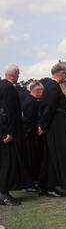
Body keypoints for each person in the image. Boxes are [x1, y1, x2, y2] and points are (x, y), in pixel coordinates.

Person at [38, 63, 66, 197]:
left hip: (55, 126)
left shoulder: (49, 86)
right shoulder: (53, 87)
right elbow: (49, 108)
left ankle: (47, 186)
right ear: (61, 74)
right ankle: (50, 187)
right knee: (56, 156)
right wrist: (43, 126)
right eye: (65, 75)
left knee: (50, 157)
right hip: (56, 128)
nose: (65, 77)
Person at [0, 64, 31, 206]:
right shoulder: (8, 88)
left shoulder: (2, 86)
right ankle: (3, 194)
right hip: (7, 133)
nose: (19, 76)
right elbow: (6, 112)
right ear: (14, 73)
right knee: (8, 163)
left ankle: (5, 193)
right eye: (18, 74)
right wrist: (9, 132)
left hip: (4, 130)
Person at [22, 81, 44, 193]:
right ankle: (29, 185)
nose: (43, 93)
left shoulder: (30, 101)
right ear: (37, 91)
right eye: (42, 90)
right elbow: (29, 121)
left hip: (30, 136)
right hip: (30, 138)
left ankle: (32, 182)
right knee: (31, 161)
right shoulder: (32, 103)